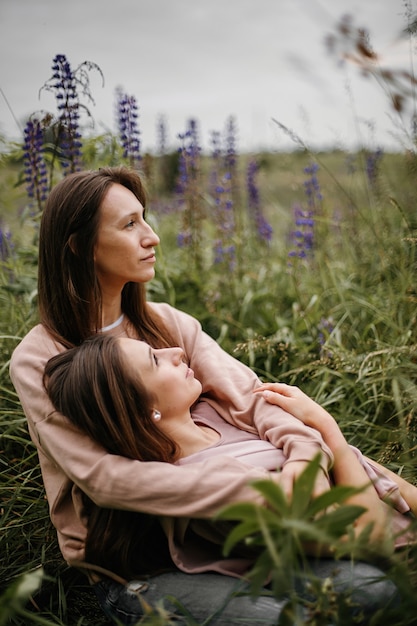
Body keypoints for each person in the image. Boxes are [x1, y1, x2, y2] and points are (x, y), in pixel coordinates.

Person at [9, 166, 399, 625]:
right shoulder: (40, 358)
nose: (152, 237)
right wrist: (265, 492)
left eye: (145, 218)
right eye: (130, 224)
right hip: (139, 559)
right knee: (274, 619)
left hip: (235, 534)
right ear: (78, 245)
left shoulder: (168, 324)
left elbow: (257, 399)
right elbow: (106, 479)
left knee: (375, 594)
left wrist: (300, 461)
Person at [43, 333, 416, 580]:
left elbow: (361, 462)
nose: (175, 351)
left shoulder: (214, 413)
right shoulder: (208, 485)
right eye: (155, 361)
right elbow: (372, 540)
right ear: (144, 411)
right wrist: (326, 427)